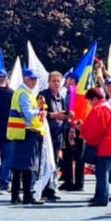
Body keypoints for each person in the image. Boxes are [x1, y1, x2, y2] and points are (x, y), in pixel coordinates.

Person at [7, 69, 45, 205]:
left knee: (18, 165)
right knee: (28, 166)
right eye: (31, 79)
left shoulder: (23, 92)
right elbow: (28, 114)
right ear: (25, 79)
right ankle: (27, 195)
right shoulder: (24, 93)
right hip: (26, 132)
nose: (34, 82)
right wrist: (39, 109)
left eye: (35, 79)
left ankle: (16, 195)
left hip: (21, 132)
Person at [80, 87, 111, 207]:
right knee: (102, 172)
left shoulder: (99, 109)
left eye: (90, 101)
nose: (89, 104)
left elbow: (95, 130)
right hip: (109, 143)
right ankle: (99, 196)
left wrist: (83, 132)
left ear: (95, 99)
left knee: (101, 173)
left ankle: (102, 198)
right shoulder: (107, 106)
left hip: (103, 145)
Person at [42, 71, 69, 202]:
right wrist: (55, 115)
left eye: (59, 81)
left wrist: (67, 115)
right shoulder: (43, 95)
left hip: (58, 134)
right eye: (54, 81)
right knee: (45, 162)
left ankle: (51, 188)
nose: (56, 84)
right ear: (49, 82)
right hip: (46, 135)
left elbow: (63, 114)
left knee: (55, 163)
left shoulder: (61, 97)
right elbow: (40, 113)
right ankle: (43, 188)